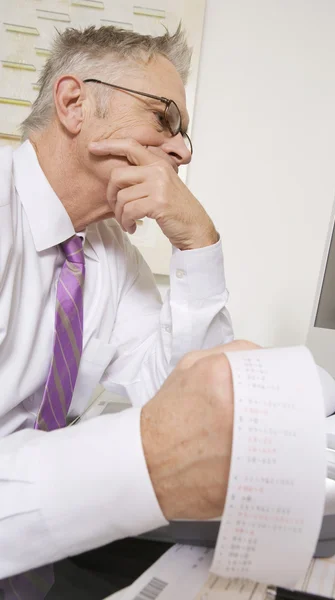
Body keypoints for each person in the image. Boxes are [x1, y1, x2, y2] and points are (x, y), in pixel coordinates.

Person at [0, 25, 238, 596]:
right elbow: (169, 444)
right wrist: (145, 459)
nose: (183, 149)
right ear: (75, 103)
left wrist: (197, 242)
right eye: (166, 119)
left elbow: (186, 409)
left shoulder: (108, 255)